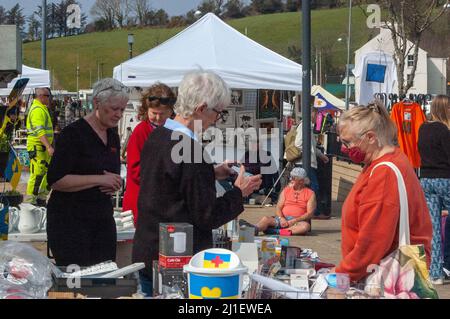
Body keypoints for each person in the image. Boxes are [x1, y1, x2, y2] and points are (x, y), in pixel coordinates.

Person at [132, 71, 262, 296]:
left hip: (148, 249)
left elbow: (168, 184)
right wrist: (238, 193)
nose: (216, 121)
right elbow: (208, 215)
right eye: (217, 113)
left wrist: (210, 173)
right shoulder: (191, 150)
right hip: (176, 262)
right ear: (201, 109)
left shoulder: (157, 135)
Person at [334, 102, 432, 283]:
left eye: (347, 142)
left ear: (370, 137)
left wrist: (342, 275)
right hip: (382, 271)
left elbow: (372, 242)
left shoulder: (383, 173)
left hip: (381, 276)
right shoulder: (391, 160)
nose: (344, 148)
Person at [46, 78, 127, 266]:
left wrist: (115, 183)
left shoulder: (112, 135)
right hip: (71, 223)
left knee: (105, 278)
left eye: (122, 110)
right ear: (97, 103)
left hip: (102, 220)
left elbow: (111, 172)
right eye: (114, 108)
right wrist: (99, 179)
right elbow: (56, 180)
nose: (119, 115)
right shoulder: (73, 135)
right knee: (78, 285)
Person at [122, 83, 176, 224]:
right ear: (146, 110)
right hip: (142, 202)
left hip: (163, 202)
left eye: (162, 114)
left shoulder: (175, 132)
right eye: (154, 113)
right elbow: (135, 170)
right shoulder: (140, 132)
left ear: (171, 111)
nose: (158, 118)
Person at [418, 95, 450, 285]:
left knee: (434, 228)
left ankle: (435, 273)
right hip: (445, 178)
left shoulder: (423, 128)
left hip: (427, 180)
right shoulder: (445, 131)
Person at [240, 167, 316, 236]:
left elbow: (309, 213)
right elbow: (278, 207)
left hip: (297, 221)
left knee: (305, 227)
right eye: (291, 177)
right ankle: (254, 229)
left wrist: (294, 220)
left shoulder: (310, 193)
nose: (290, 179)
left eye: (293, 178)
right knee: (266, 219)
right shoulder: (286, 190)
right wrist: (281, 218)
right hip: (283, 219)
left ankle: (276, 231)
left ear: (301, 181)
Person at [293, 107, 329, 219]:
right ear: (311, 113)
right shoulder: (305, 126)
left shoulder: (308, 127)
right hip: (305, 163)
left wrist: (321, 156)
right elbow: (298, 144)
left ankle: (309, 211)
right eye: (316, 114)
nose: (317, 117)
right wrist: (308, 155)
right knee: (314, 188)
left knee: (308, 188)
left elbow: (312, 146)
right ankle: (315, 212)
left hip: (307, 162)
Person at [26, 87, 54, 206]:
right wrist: (48, 146)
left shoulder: (42, 108)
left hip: (42, 148)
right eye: (48, 96)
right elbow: (39, 131)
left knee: (47, 173)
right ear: (41, 96)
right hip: (38, 147)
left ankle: (40, 198)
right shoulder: (37, 109)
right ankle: (30, 202)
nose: (49, 99)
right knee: (37, 174)